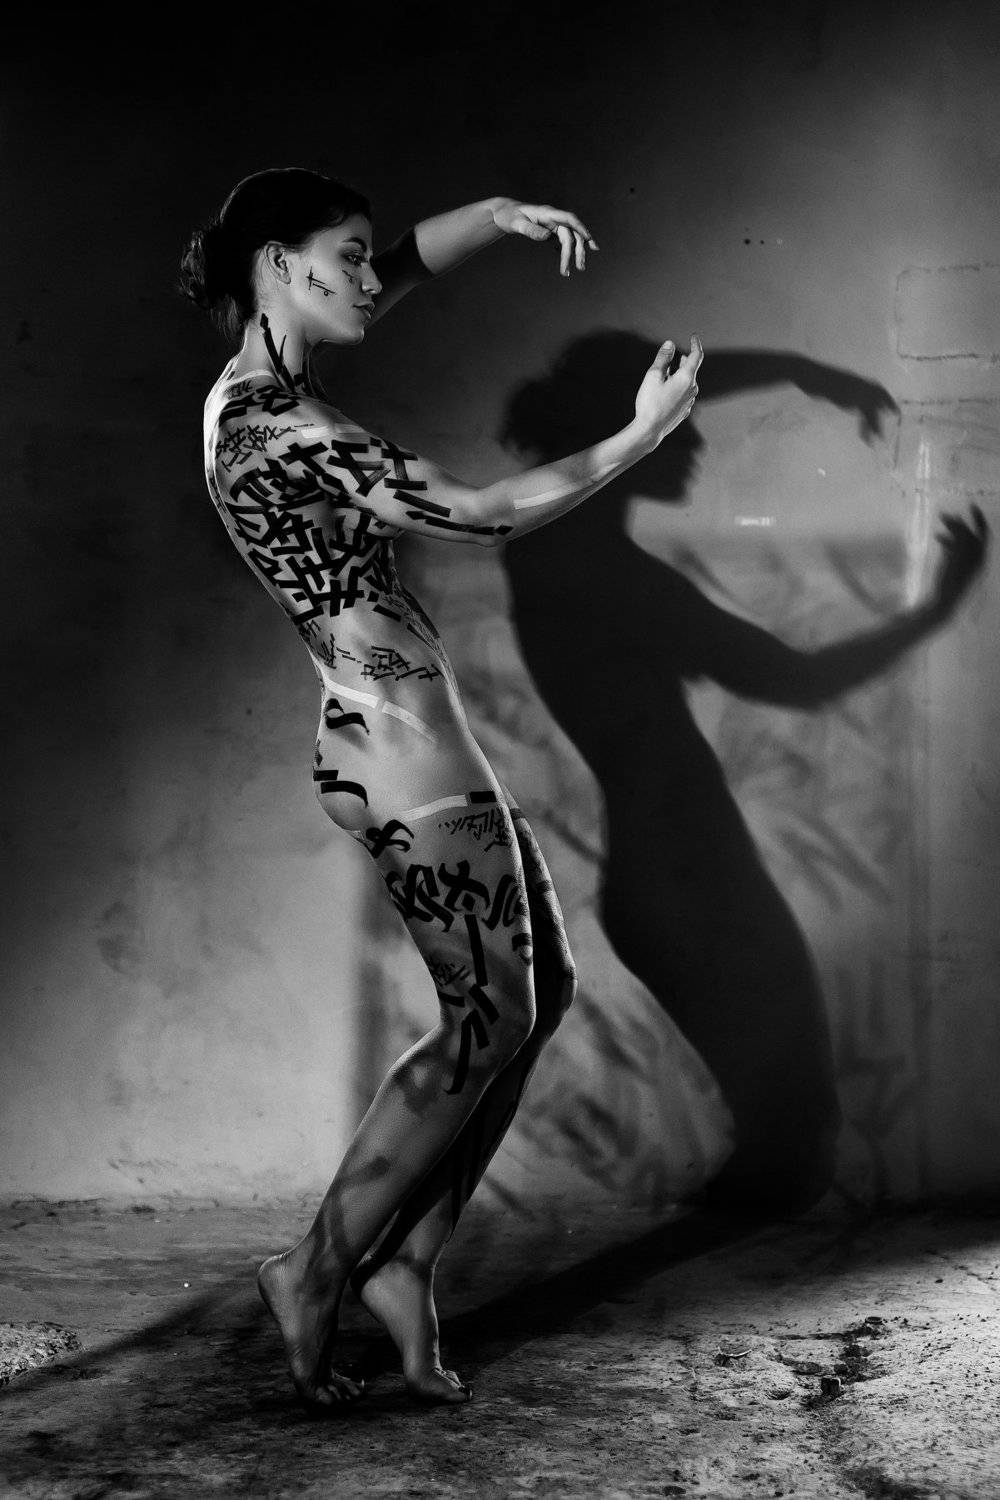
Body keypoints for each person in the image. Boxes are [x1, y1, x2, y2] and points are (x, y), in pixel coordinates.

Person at [179, 167, 702, 1411]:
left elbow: (407, 262)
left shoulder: (257, 387)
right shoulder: (282, 428)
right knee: (486, 1017)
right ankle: (315, 1269)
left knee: (535, 995)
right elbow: (474, 514)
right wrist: (639, 437)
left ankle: (406, 1266)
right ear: (276, 263)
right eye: (348, 256)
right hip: (398, 745)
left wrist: (499, 219)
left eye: (371, 257)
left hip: (396, 733)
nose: (373, 278)